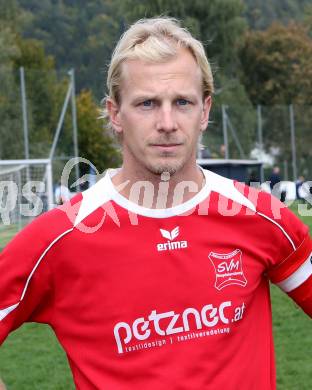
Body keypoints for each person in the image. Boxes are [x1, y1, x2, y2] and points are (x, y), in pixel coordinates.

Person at [0, 17, 311, 390]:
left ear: (205, 111)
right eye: (147, 103)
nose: (167, 122)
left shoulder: (261, 216)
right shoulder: (61, 236)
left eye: (182, 102)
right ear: (115, 114)